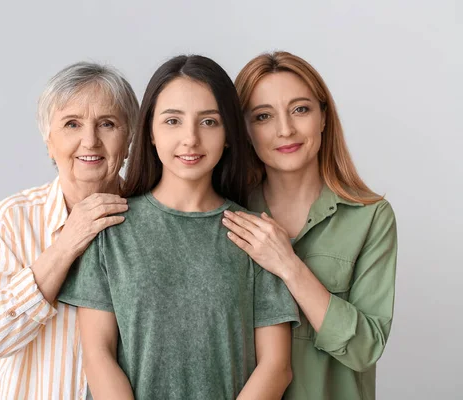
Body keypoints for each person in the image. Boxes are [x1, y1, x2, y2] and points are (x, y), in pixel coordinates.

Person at [58, 55, 300, 400]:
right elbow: (97, 355)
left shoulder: (255, 237)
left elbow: (276, 367)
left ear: (229, 134)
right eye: (173, 121)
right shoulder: (110, 230)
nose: (190, 139)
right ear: (151, 132)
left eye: (209, 122)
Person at [223, 51, 398, 400]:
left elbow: (365, 349)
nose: (285, 129)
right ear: (243, 131)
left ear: (323, 117)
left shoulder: (371, 216)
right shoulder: (228, 214)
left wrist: (289, 266)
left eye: (300, 109)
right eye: (262, 116)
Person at [0, 62, 139, 399]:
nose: (89, 140)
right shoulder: (15, 217)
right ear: (49, 141)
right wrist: (67, 244)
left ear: (129, 137)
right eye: (72, 124)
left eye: (107, 123)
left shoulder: (151, 219)